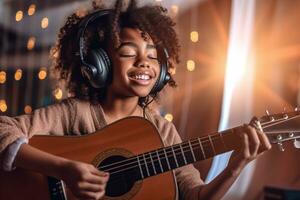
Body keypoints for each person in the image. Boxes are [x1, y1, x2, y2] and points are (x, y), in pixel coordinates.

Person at [0, 0, 271, 199]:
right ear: (100, 64)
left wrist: (236, 167)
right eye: (129, 52)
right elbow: (3, 130)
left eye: (153, 56)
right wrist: (64, 169)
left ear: (163, 71)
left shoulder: (162, 131)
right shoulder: (75, 112)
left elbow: (196, 196)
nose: (144, 62)